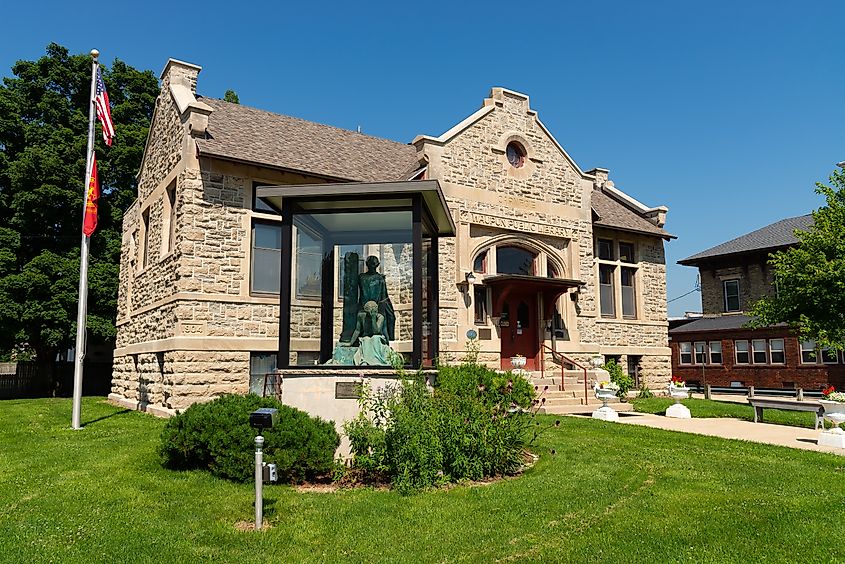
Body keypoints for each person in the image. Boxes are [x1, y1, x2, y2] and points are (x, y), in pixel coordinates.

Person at [339, 301, 394, 365]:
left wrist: (373, 318)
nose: (371, 312)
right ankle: (365, 361)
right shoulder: (361, 316)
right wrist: (350, 343)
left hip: (377, 337)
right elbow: (357, 330)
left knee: (375, 338)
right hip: (366, 337)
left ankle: (376, 361)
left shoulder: (380, 317)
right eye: (369, 310)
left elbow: (376, 331)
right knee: (366, 340)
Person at [357, 255, 396, 341]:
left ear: (377, 265)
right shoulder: (362, 277)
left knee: (390, 317)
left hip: (377, 306)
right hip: (365, 307)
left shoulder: (380, 278)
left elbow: (384, 295)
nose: (372, 266)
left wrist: (383, 308)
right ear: (367, 265)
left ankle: (388, 338)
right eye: (371, 264)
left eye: (374, 264)